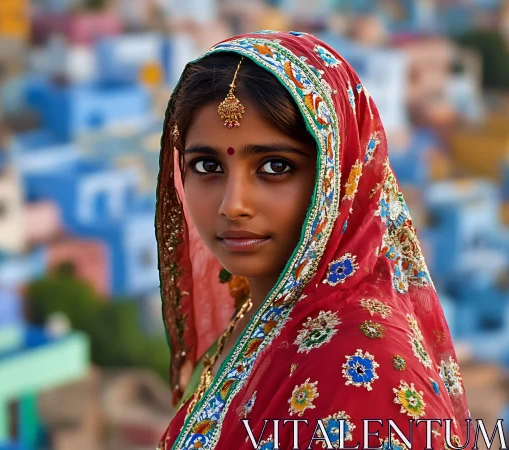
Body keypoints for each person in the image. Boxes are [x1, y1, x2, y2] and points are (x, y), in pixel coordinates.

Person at [154, 31, 473, 449]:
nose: (233, 205)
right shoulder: (263, 316)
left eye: (274, 166)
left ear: (335, 179)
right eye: (207, 165)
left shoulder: (365, 372)